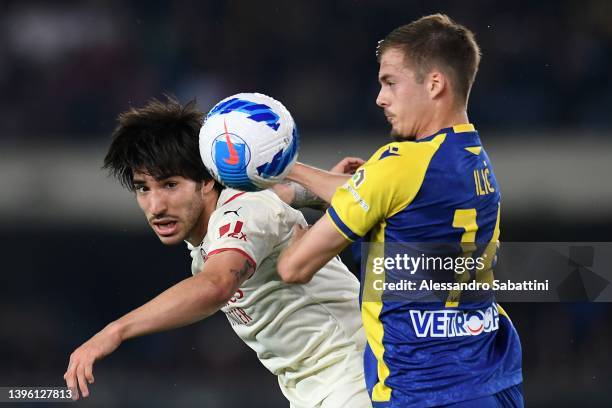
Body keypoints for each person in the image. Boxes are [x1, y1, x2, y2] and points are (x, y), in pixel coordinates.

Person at [277, 14, 523, 407]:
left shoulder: (399, 163)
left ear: (435, 83)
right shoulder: (473, 157)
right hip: (490, 375)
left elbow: (294, 267)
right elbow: (385, 194)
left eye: (390, 81)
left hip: (423, 387)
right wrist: (293, 172)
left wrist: (296, 229)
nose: (380, 98)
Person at [63, 97, 372, 408]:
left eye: (170, 185)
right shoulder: (239, 212)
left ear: (208, 179)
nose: (155, 206)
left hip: (353, 378)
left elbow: (216, 285)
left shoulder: (239, 212)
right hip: (316, 390)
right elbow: (278, 196)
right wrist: (321, 188)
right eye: (143, 188)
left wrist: (116, 331)